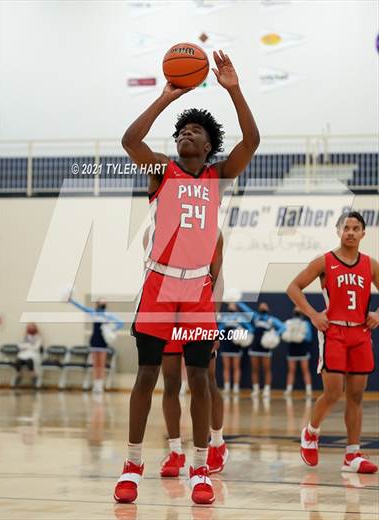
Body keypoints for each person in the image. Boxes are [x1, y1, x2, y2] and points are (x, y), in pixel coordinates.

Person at [114, 49, 260, 505]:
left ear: (207, 144)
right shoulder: (161, 171)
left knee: (200, 379)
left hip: (196, 289)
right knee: (147, 376)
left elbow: (252, 141)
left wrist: (234, 90)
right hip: (159, 284)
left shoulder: (218, 176)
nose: (183, 135)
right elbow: (129, 141)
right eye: (179, 131)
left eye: (192, 130)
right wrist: (164, 99)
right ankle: (134, 462)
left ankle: (200, 467)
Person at [287, 211, 378, 474]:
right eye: (346, 228)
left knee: (357, 395)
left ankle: (352, 455)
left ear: (363, 233)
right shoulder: (325, 261)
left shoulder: (371, 264)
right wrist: (313, 314)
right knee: (334, 391)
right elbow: (293, 287)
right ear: (338, 231)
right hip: (334, 332)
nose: (350, 232)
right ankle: (311, 432)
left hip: (360, 334)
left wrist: (377, 314)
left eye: (355, 228)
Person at [159, 232, 229, 477]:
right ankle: (176, 450)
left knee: (206, 382)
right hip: (168, 312)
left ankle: (217, 444)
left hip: (199, 313)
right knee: (170, 382)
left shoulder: (213, 233)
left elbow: (218, 280)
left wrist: (214, 322)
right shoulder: (155, 232)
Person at [69, 298, 123, 393]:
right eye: (101, 302)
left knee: (101, 365)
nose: (102, 304)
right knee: (95, 365)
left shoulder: (107, 315)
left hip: (103, 342)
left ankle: (100, 386)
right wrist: (71, 300)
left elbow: (120, 323)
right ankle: (96, 385)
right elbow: (82, 308)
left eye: (104, 302)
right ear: (97, 304)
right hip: (94, 341)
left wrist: (111, 329)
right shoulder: (93, 313)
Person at [248, 303, 285, 398]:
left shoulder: (271, 319)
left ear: (268, 308)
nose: (263, 306)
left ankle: (266, 390)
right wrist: (236, 301)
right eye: (261, 305)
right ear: (258, 308)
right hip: (255, 346)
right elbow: (246, 309)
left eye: (265, 305)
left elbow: (283, 327)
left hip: (265, 346)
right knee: (255, 369)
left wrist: (275, 334)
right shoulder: (256, 317)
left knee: (266, 369)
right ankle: (256, 390)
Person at [283, 306, 313, 396]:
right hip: (292, 349)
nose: (297, 311)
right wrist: (290, 336)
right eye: (296, 310)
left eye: (299, 310)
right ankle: (288, 390)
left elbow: (309, 338)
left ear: (302, 312)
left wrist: (301, 336)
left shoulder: (305, 324)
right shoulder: (288, 323)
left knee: (305, 370)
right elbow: (284, 334)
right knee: (291, 371)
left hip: (303, 349)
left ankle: (308, 390)